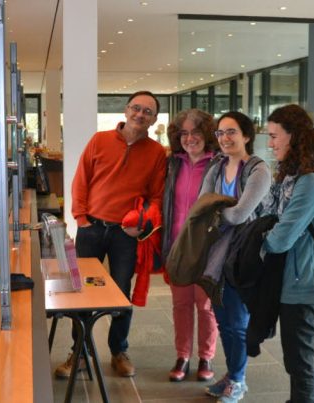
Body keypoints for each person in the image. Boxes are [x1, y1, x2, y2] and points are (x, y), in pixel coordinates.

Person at [59, 90, 166, 378]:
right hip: (91, 228)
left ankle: (118, 350)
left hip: (125, 235)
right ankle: (79, 352)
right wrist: (81, 219)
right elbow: (81, 180)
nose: (140, 114)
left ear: (154, 119)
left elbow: (156, 198)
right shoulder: (100, 140)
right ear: (126, 110)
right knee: (81, 292)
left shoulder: (157, 153)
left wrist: (142, 224)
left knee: (121, 293)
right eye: (136, 108)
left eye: (147, 111)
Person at [262, 104, 314, 403]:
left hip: (302, 283)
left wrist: (258, 237)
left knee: (300, 362)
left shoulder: (311, 182)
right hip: (287, 280)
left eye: (274, 135)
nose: (270, 143)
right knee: (294, 358)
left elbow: (280, 239)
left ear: (294, 136)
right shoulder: (291, 176)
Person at [200, 111, 271, 402]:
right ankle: (231, 375)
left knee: (237, 321)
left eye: (231, 132)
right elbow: (202, 204)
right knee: (222, 318)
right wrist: (216, 212)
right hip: (216, 254)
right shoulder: (216, 166)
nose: (225, 138)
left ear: (246, 135)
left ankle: (239, 380)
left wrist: (215, 213)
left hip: (244, 255)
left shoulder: (258, 170)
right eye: (220, 133)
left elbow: (242, 214)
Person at [161, 109, 219, 382]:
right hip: (177, 246)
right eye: (184, 133)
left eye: (195, 132)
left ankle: (206, 356)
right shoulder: (172, 163)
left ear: (206, 133)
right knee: (180, 304)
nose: (190, 138)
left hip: (207, 247)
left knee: (205, 306)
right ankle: (182, 356)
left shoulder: (218, 163)